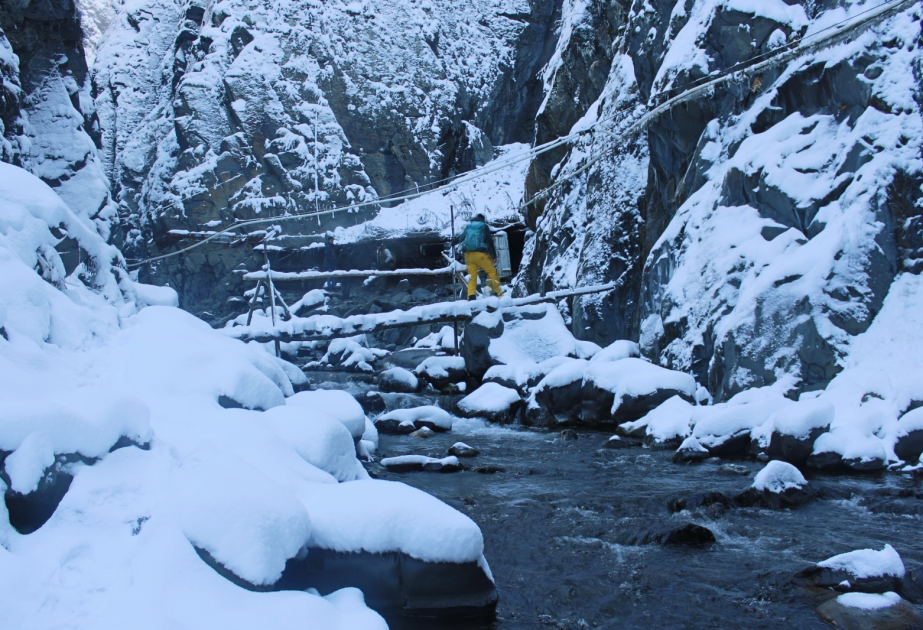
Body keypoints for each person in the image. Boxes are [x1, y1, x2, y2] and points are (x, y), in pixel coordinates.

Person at [460, 213, 503, 300]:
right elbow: (489, 240)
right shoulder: (484, 226)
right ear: (483, 220)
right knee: (492, 272)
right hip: (480, 254)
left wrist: (453, 243)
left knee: (472, 277)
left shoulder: (468, 226)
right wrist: (493, 255)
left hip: (468, 255)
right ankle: (498, 294)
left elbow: (461, 238)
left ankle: (471, 298)